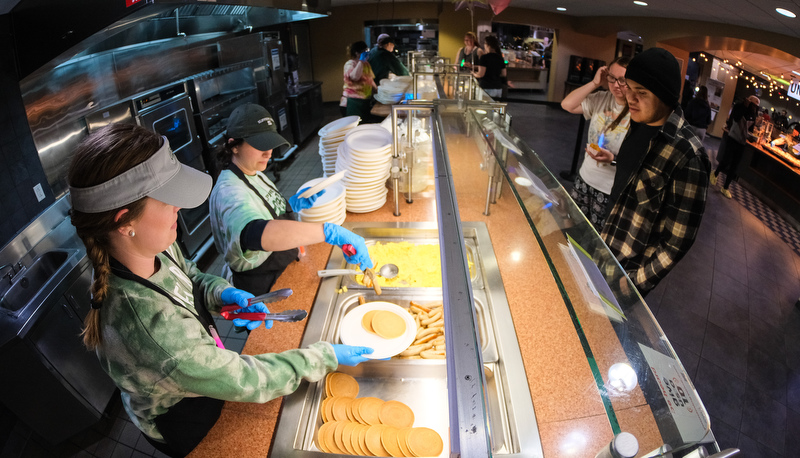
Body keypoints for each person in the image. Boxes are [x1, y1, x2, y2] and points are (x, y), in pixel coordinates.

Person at [67, 123, 375, 457]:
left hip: (202, 374)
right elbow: (245, 378)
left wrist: (224, 295)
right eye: (168, 200)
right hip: (184, 417)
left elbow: (192, 277)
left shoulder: (153, 247)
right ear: (125, 221)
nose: (179, 208)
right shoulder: (153, 331)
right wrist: (323, 356)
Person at [210, 103, 374, 296]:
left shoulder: (252, 170)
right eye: (259, 145)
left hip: (282, 272)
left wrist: (291, 205)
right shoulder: (228, 191)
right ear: (234, 145)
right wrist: (329, 232)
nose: (268, 152)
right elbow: (253, 233)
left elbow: (261, 208)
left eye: (270, 143)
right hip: (260, 288)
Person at [602, 47, 710, 295]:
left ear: (666, 97)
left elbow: (677, 242)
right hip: (606, 248)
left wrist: (631, 284)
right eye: (629, 87)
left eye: (642, 92)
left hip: (626, 274)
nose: (631, 98)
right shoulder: (640, 121)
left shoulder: (688, 156)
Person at [560, 56, 632, 231]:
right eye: (612, 78)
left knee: (597, 241)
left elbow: (636, 158)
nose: (616, 84)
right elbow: (567, 104)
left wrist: (613, 159)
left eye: (623, 80)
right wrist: (594, 83)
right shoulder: (602, 98)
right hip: (585, 178)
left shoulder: (637, 112)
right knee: (575, 229)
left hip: (609, 189)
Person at [710, 95, 759, 198]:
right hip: (733, 138)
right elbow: (735, 118)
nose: (754, 108)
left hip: (742, 142)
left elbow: (751, 130)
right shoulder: (739, 107)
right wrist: (744, 107)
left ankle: (725, 187)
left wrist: (751, 136)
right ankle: (715, 173)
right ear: (749, 102)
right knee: (726, 160)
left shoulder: (753, 114)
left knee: (734, 166)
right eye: (753, 105)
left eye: (756, 106)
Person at [341, 41, 377, 118]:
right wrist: (361, 61)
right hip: (352, 102)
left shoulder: (366, 64)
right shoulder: (350, 64)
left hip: (364, 101)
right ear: (357, 53)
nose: (367, 53)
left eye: (367, 50)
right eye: (364, 51)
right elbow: (355, 77)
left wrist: (378, 91)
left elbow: (370, 79)